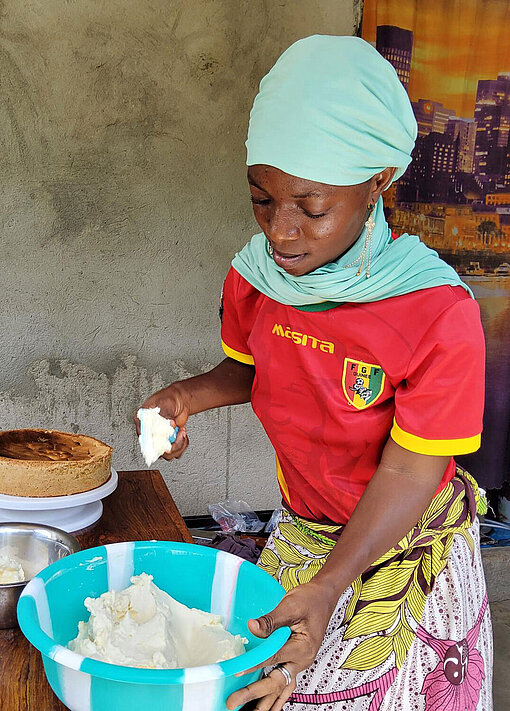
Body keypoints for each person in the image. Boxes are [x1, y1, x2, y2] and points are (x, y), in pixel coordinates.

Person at [136, 36, 492, 711]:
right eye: (262, 200)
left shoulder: (434, 312)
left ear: (379, 179)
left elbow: (412, 468)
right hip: (306, 528)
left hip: (408, 538)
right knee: (253, 689)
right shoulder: (258, 278)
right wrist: (187, 396)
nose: (282, 231)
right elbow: (253, 369)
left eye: (311, 205)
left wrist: (333, 585)